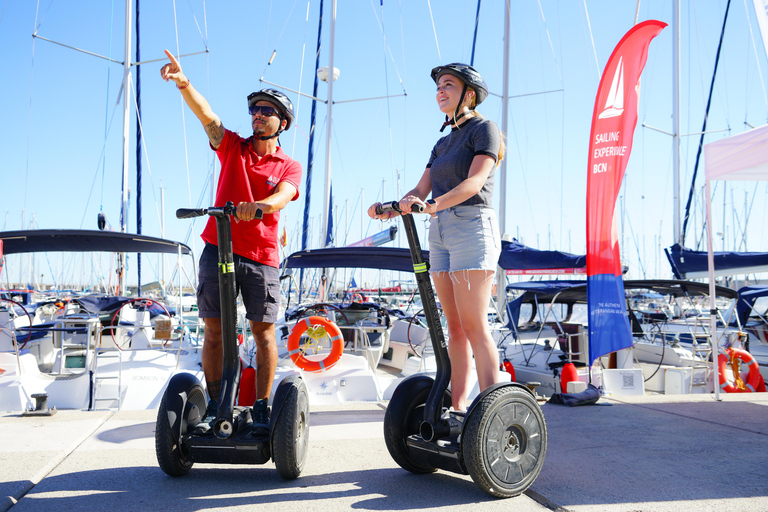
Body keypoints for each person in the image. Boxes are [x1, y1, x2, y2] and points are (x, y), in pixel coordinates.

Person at [160, 49, 302, 434]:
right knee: (214, 331)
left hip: (261, 256)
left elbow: (284, 195)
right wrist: (184, 83)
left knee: (263, 332)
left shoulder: (288, 165)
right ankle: (215, 405)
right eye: (255, 109)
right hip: (217, 249)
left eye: (267, 111)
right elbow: (207, 116)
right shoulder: (233, 147)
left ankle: (261, 407)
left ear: (282, 122)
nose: (258, 114)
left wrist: (260, 206)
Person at [368, 63, 505, 412]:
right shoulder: (442, 143)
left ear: (469, 94)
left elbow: (475, 182)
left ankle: (491, 411)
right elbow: (419, 190)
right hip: (440, 229)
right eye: (438, 86)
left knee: (475, 325)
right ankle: (457, 410)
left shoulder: (485, 129)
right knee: (453, 327)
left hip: (472, 224)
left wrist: (433, 205)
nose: (440, 91)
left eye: (448, 85)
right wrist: (392, 208)